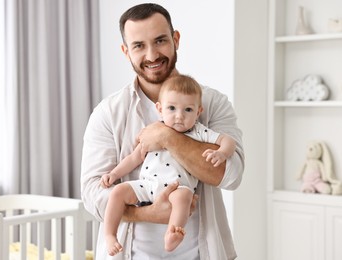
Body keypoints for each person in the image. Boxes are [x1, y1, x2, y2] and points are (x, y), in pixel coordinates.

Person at [81, 3, 244, 260]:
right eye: (138, 46)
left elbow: (231, 175)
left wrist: (167, 137)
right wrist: (148, 213)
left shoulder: (212, 103)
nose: (152, 55)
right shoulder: (108, 113)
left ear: (175, 39)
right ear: (126, 51)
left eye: (160, 41)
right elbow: (92, 193)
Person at [100, 75, 236, 256]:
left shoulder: (198, 132)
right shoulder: (152, 131)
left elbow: (227, 140)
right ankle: (110, 234)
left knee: (184, 198)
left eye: (188, 109)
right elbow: (134, 158)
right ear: (160, 109)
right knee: (117, 192)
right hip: (147, 184)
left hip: (177, 187)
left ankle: (173, 232)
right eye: (172, 108)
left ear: (198, 111)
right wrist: (114, 175)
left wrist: (222, 153)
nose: (179, 116)